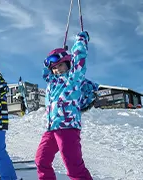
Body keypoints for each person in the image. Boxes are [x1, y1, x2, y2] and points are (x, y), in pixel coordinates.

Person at [35, 31, 93, 180]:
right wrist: (50, 61)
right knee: (41, 161)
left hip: (68, 127)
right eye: (54, 67)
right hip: (52, 128)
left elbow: (79, 58)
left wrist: (81, 40)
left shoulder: (73, 78)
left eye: (60, 65)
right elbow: (45, 71)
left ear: (68, 63)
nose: (57, 69)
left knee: (73, 167)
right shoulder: (51, 83)